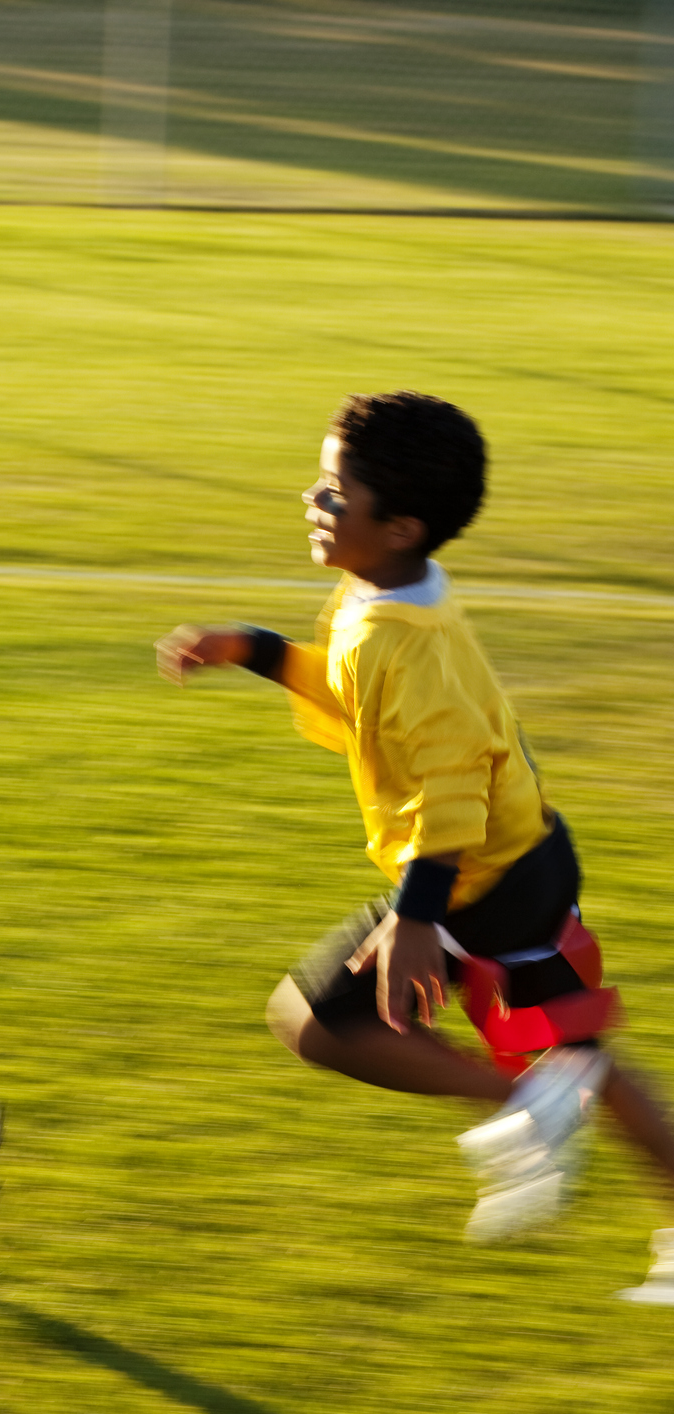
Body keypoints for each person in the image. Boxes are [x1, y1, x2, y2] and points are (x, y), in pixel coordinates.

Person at [157, 391, 674, 1303]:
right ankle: (537, 1106)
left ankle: (528, 1108)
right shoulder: (381, 595)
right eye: (319, 482)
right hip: (499, 866)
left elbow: (451, 789)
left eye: (332, 493)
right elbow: (359, 696)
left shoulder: (412, 641)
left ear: (399, 525)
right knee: (576, 1052)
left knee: (320, 1023)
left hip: (486, 879)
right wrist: (258, 649)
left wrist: (414, 922)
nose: (311, 502)